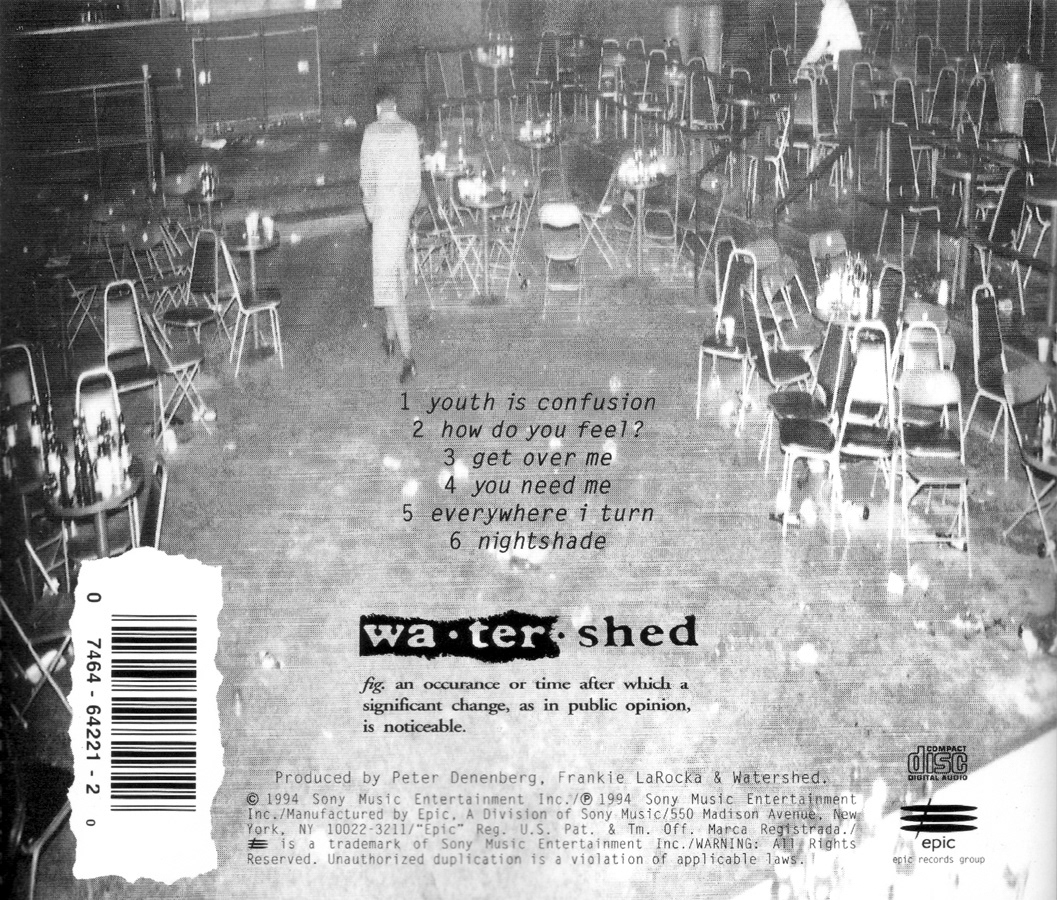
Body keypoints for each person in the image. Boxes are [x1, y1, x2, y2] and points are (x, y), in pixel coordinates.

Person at [359, 84, 422, 383]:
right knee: (390, 276)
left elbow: (367, 179)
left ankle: (408, 357)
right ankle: (389, 336)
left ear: (377, 109)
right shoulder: (409, 131)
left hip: (384, 218)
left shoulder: (371, 132)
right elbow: (415, 182)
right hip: (401, 217)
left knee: (390, 284)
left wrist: (372, 212)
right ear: (395, 106)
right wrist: (405, 214)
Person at [800, 0, 863, 128]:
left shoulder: (829, 8)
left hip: (846, 57)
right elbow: (842, 37)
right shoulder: (841, 4)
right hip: (856, 55)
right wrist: (828, 50)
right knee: (849, 102)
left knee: (843, 104)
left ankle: (840, 133)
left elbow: (821, 42)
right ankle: (840, 130)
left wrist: (806, 60)